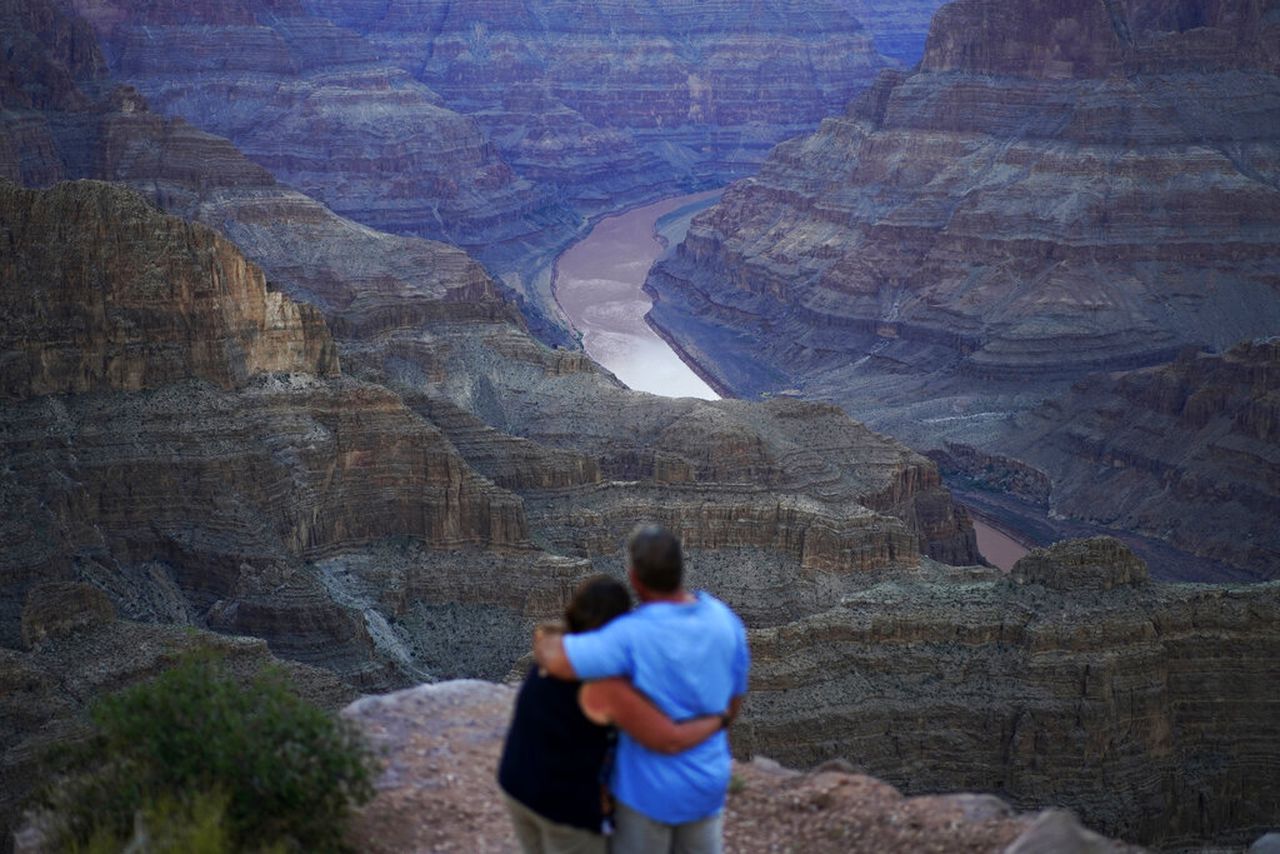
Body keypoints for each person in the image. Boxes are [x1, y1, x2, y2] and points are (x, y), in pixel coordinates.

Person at [534, 525, 750, 854]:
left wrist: (554, 630)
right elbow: (733, 705)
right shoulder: (726, 621)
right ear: (682, 567)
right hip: (706, 786)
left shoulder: (627, 637)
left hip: (647, 795)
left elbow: (555, 660)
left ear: (635, 578)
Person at [498, 575, 726, 854]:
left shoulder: (554, 649)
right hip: (562, 806)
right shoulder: (602, 681)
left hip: (517, 786)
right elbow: (670, 739)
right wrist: (718, 719)